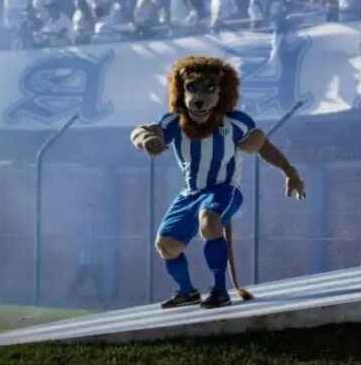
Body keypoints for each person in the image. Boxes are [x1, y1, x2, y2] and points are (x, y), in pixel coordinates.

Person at [130, 56, 306, 309]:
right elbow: (139, 131)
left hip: (225, 190)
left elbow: (263, 145)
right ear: (181, 90)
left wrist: (290, 172)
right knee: (166, 245)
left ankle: (220, 290)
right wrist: (145, 139)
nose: (199, 98)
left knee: (209, 220)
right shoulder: (173, 121)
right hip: (190, 194)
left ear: (222, 94)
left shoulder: (235, 121)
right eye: (192, 88)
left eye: (209, 90)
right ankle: (187, 291)